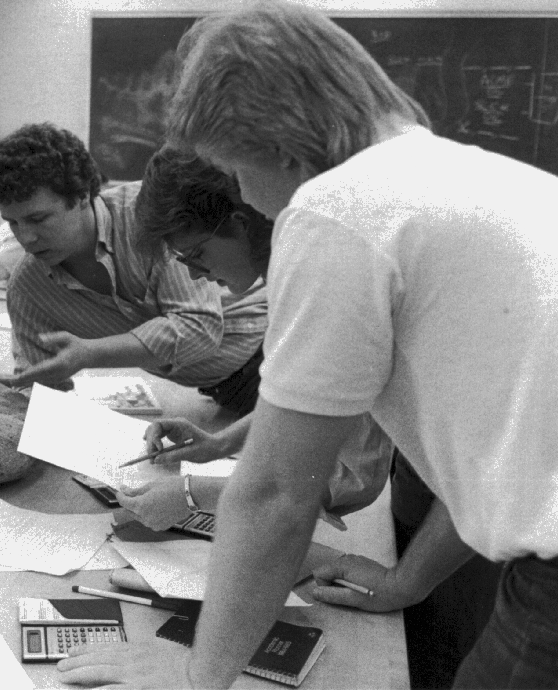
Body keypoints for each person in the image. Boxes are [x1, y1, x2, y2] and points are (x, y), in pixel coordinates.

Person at [57, 0, 558, 689]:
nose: (251, 202)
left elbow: (277, 494)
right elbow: (505, 456)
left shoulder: (340, 208)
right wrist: (408, 582)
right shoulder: (479, 180)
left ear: (280, 145)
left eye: (237, 171)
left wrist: (198, 678)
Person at [117, 145, 391, 535]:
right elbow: (300, 403)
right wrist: (219, 443)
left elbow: (354, 474)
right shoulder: (287, 271)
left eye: (195, 253)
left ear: (241, 220)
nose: (195, 276)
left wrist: (197, 494)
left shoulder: (335, 279)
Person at [0, 123, 267, 395]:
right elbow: (42, 389)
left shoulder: (151, 213)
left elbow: (200, 329)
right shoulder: (28, 290)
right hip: (222, 392)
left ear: (81, 196)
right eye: (12, 223)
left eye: (38, 219)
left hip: (269, 352)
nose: (25, 238)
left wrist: (92, 353)